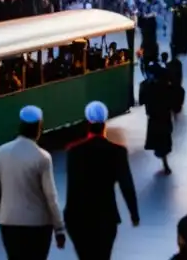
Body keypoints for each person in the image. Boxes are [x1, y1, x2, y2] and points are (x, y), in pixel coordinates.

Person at [63, 101, 139, 260]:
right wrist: (134, 213)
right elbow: (127, 185)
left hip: (78, 218)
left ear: (88, 122)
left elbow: (72, 186)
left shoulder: (73, 151)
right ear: (105, 121)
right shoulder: (118, 152)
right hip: (106, 216)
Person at [0, 105, 66, 259]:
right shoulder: (42, 157)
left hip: (9, 224)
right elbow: (51, 198)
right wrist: (59, 228)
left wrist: (2, 217)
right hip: (38, 226)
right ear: (38, 128)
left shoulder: (1, 152)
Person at [140, 65, 174, 174]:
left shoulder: (146, 86)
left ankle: (164, 162)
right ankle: (165, 162)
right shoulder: (166, 86)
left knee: (159, 141)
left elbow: (142, 100)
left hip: (154, 117)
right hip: (165, 116)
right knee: (164, 139)